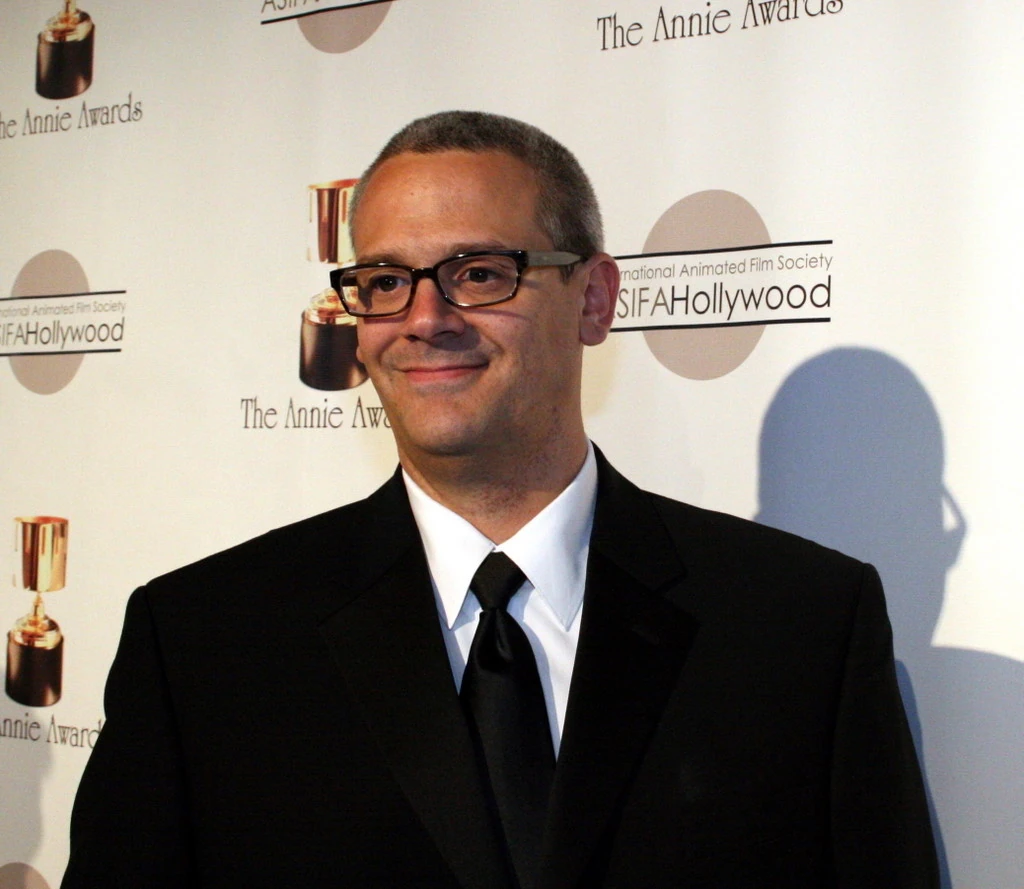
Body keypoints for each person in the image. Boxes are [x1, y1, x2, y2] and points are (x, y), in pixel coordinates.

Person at [62, 111, 938, 889]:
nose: (425, 317)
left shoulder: (802, 626)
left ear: (594, 298)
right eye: (385, 281)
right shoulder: (204, 642)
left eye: (479, 273)